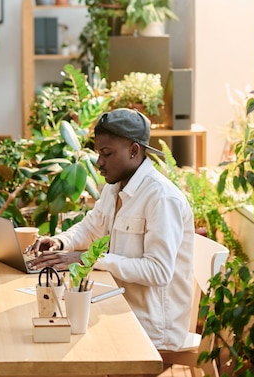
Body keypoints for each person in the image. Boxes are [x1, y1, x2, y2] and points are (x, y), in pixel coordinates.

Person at [27, 108, 194, 351]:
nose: (99, 162)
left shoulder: (162, 198)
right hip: (116, 304)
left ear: (134, 151)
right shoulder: (115, 186)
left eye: (107, 153)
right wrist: (60, 242)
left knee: (59, 344)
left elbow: (159, 272)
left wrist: (90, 259)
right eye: (98, 153)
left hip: (151, 327)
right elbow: (91, 227)